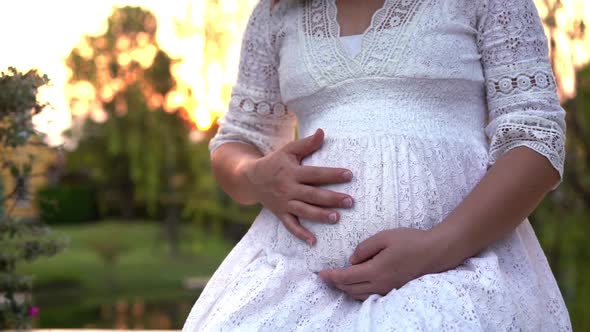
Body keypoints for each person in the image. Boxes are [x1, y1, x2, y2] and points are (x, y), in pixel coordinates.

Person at [183, 0, 572, 330]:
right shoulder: (277, 13)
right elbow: (237, 139)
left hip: (459, 273)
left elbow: (535, 137)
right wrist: (255, 175)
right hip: (291, 281)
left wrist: (440, 247)